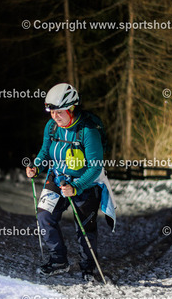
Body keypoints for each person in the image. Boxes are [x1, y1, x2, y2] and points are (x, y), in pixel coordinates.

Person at [25, 83, 110, 281]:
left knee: (85, 227)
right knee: (44, 215)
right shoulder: (52, 127)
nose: (55, 116)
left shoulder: (88, 131)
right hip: (58, 177)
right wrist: (36, 167)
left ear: (71, 108)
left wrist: (77, 187)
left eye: (59, 112)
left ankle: (88, 267)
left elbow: (95, 167)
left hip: (85, 183)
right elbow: (45, 152)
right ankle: (58, 260)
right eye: (52, 112)